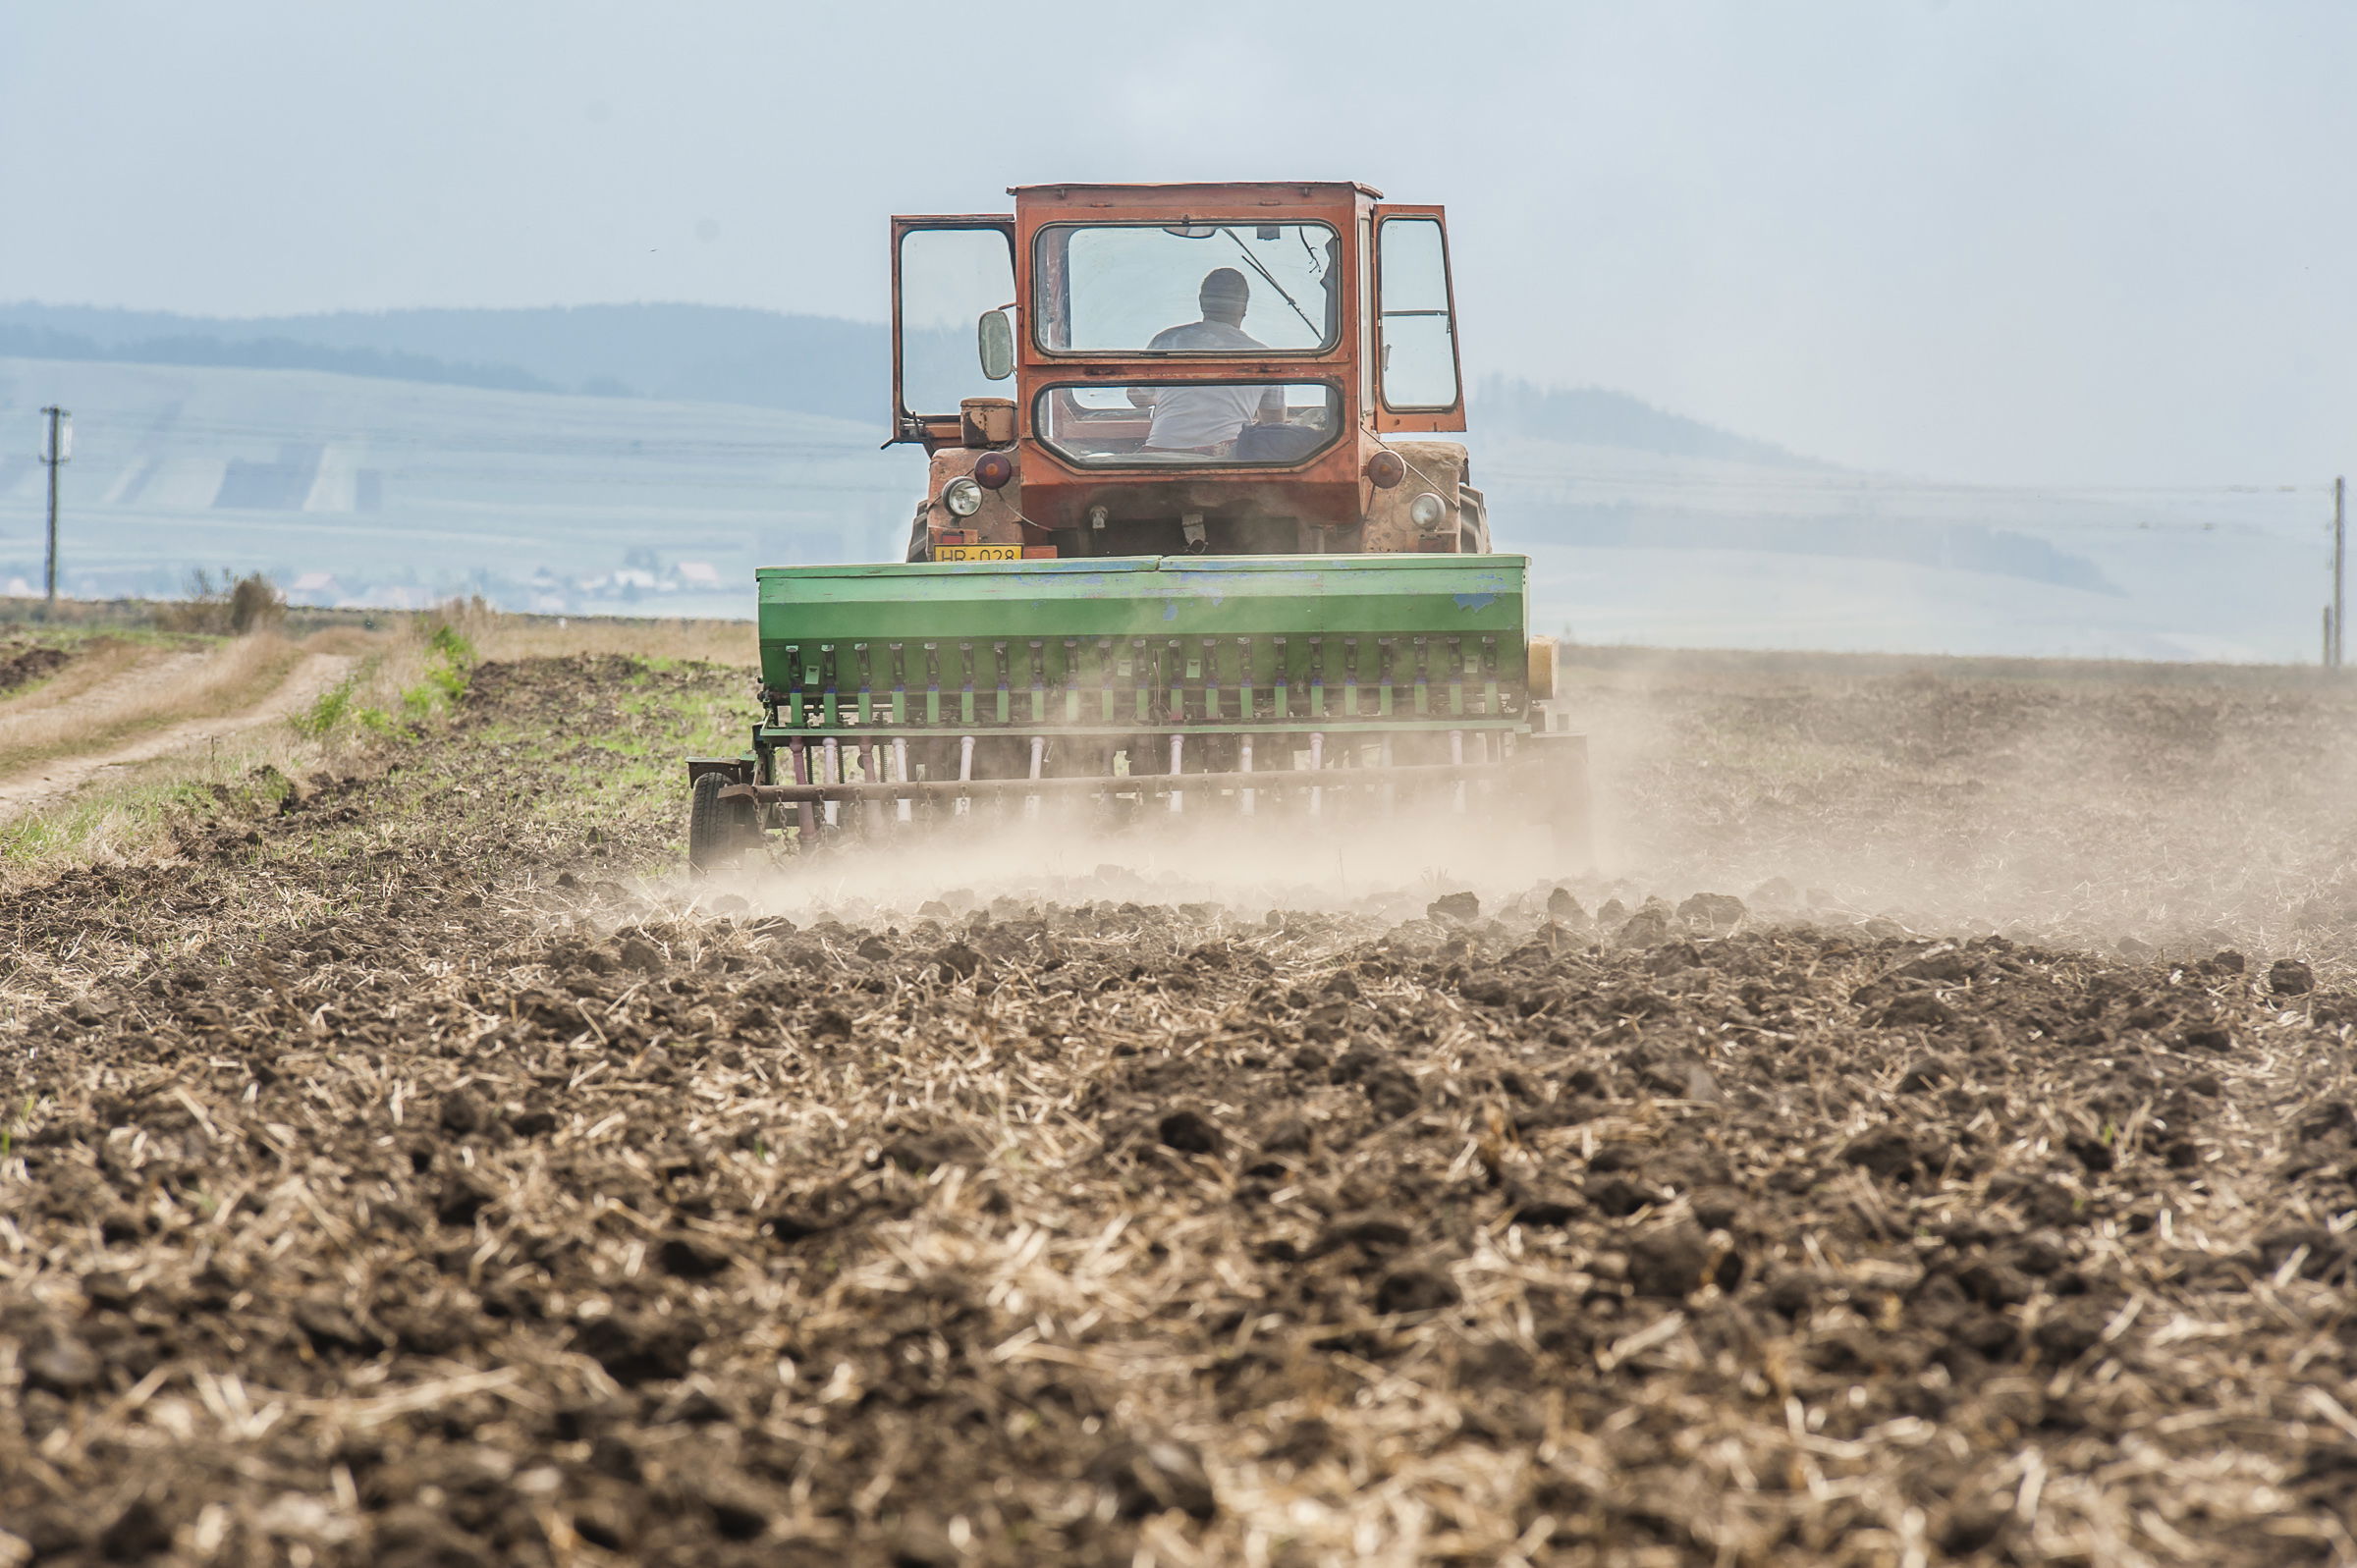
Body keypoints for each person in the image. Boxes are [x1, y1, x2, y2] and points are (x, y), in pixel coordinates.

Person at [1128, 268, 1286, 454]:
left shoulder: (1167, 340)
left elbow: (1136, 397)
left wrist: (1164, 394)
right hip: (1224, 457)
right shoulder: (1263, 356)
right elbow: (1273, 423)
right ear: (1243, 309)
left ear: (1202, 303)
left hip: (1161, 452)